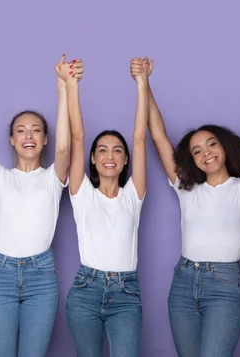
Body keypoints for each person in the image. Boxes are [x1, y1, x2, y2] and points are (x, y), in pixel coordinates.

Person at [141, 39, 240, 357]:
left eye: (211, 145)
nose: (206, 153)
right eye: (197, 151)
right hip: (182, 284)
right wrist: (145, 84)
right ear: (192, 161)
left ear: (223, 147)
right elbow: (158, 136)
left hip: (223, 288)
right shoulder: (187, 189)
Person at [0, 52, 71, 357]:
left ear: (45, 139)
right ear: (11, 139)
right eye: (21, 130)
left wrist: (63, 87)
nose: (28, 136)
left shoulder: (53, 178)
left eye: (36, 130)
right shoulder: (0, 176)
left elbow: (64, 146)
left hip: (41, 276)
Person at [63, 57, 149, 356]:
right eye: (102, 150)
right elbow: (77, 136)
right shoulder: (81, 192)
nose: (109, 155)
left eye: (117, 150)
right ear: (92, 159)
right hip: (86, 290)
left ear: (125, 160)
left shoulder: (133, 196)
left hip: (126, 293)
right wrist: (72, 86)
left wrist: (142, 83)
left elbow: (139, 139)